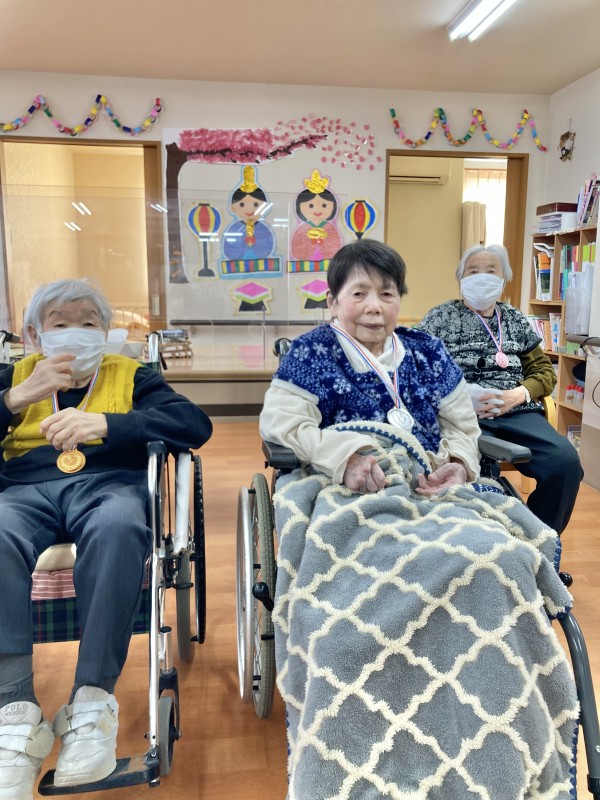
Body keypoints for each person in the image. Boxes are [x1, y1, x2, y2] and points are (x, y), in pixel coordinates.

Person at [259, 240, 578, 800]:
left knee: (499, 558)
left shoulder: (427, 351)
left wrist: (459, 464)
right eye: (359, 293)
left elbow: (462, 425)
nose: (373, 306)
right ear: (333, 300)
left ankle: (491, 730)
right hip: (349, 488)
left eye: (386, 293)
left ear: (400, 300)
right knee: (346, 608)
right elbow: (283, 426)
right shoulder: (311, 353)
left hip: (431, 486)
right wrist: (345, 457)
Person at [0, 279, 212, 799]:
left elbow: (193, 423)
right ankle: (14, 712)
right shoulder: (15, 377)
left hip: (108, 484)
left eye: (88, 323)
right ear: (34, 335)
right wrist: (14, 398)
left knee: (120, 526)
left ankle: (92, 704)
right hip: (23, 489)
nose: (75, 333)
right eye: (60, 324)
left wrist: (108, 424)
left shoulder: (131, 373)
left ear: (106, 332)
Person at [417, 243, 583, 535]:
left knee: (565, 464)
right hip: (461, 414)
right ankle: (481, 541)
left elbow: (544, 371)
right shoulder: (439, 318)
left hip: (517, 411)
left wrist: (519, 394)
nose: (481, 277)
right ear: (460, 278)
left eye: (490, 271)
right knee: (471, 471)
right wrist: (459, 395)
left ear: (504, 279)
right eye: (472, 271)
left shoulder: (515, 319)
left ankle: (539, 539)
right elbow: (416, 368)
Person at [290, 169, 343, 262]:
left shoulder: (330, 228)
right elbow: (296, 249)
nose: (318, 210)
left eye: (324, 205)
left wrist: (324, 243)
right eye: (310, 206)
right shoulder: (302, 229)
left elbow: (336, 247)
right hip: (306, 263)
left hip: (327, 264)